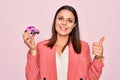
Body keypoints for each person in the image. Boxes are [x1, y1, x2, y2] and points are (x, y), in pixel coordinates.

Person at [23, 5, 105, 80]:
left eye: (69, 21)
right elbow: (31, 78)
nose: (64, 23)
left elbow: (90, 78)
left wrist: (98, 58)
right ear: (55, 21)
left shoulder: (83, 47)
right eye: (60, 18)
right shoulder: (41, 47)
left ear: (74, 25)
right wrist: (33, 50)